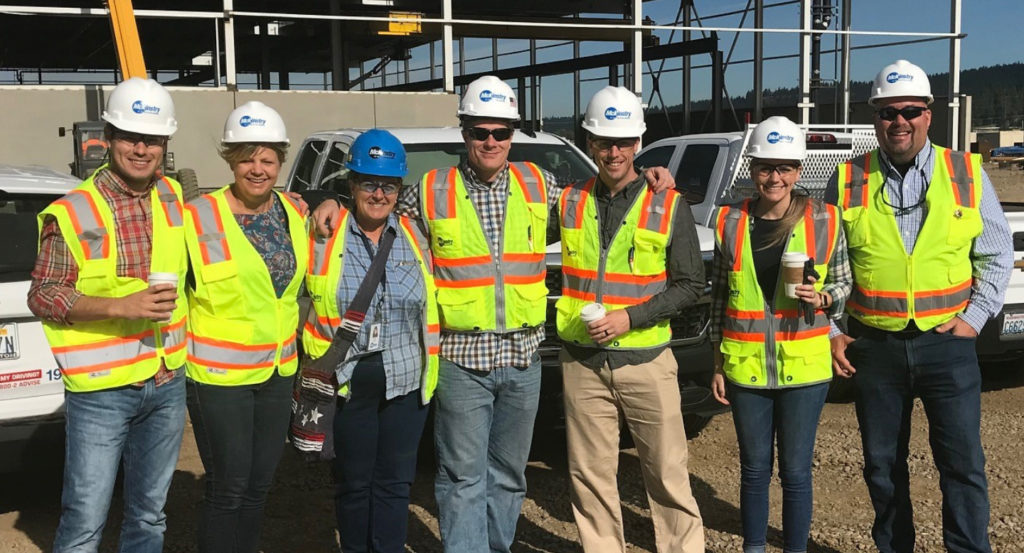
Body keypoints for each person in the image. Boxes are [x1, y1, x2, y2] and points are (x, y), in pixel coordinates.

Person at [311, 75, 674, 553]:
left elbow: (598, 197)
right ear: (464, 133)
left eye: (501, 132)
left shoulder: (540, 184)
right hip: (463, 361)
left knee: (507, 477)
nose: (490, 141)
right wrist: (329, 201)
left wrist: (651, 178)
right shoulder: (430, 190)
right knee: (461, 478)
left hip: (523, 360)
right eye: (480, 131)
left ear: (512, 135)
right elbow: (377, 215)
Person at [826, 59, 1013, 553]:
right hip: (876, 349)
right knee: (882, 466)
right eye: (889, 112)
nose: (899, 121)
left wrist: (973, 321)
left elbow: (996, 255)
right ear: (875, 118)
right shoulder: (847, 179)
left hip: (946, 347)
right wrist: (831, 330)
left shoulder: (966, 173)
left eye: (910, 110)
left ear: (929, 114)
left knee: (962, 465)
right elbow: (822, 266)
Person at [28, 77, 188, 553]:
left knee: (149, 515)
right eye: (131, 137)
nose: (142, 149)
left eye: (153, 139)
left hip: (165, 381)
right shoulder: (74, 210)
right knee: (84, 521)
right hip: (101, 391)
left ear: (165, 144)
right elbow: (43, 294)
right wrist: (121, 306)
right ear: (110, 137)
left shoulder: (172, 196)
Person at [554, 85, 705, 553]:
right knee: (590, 477)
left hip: (646, 360)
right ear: (590, 143)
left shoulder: (668, 203)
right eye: (603, 141)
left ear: (638, 143)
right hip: (582, 360)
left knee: (666, 473)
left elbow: (690, 284)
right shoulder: (568, 200)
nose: (613, 151)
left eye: (622, 142)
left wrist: (630, 317)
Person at [709, 116, 851, 553]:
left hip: (805, 368)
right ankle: (754, 547)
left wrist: (825, 298)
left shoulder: (826, 219)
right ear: (752, 169)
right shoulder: (729, 221)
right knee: (753, 468)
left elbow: (845, 283)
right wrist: (717, 362)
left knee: (795, 471)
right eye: (766, 167)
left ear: (798, 169)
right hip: (746, 367)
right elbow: (719, 299)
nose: (775, 178)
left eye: (785, 168)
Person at [302, 129, 439, 553]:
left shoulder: (417, 235)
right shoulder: (324, 230)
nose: (379, 194)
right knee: (354, 484)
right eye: (368, 183)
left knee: (396, 484)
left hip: (407, 380)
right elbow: (278, 199)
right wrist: (319, 199)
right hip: (348, 382)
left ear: (400, 190)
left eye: (389, 185)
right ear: (351, 185)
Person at [182, 100, 308, 553]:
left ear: (280, 162)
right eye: (247, 158)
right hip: (218, 378)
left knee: (258, 487)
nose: (258, 168)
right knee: (228, 487)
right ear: (230, 159)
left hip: (277, 373)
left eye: (268, 159)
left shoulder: (294, 214)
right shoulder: (195, 218)